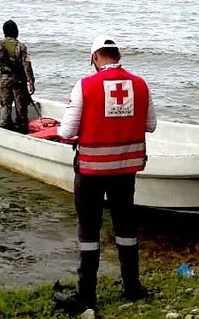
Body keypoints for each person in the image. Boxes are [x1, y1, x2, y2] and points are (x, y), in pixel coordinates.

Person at [54, 36, 157, 315]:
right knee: (126, 228)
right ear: (117, 55)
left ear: (97, 56)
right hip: (126, 170)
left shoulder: (84, 86)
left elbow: (65, 132)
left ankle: (87, 294)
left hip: (91, 171)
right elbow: (151, 126)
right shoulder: (141, 84)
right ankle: (132, 286)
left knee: (89, 232)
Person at [0, 19, 36, 133]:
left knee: (5, 106)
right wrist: (31, 81)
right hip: (19, 82)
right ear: (16, 32)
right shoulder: (21, 47)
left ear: (4, 32)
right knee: (21, 108)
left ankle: (4, 130)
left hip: (4, 81)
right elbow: (27, 65)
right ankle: (22, 130)